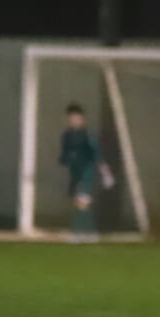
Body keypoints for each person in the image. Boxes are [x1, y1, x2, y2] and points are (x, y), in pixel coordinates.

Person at [58, 103, 114, 243]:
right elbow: (64, 155)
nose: (74, 120)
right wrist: (66, 159)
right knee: (79, 203)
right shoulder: (67, 135)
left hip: (87, 171)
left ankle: (82, 233)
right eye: (71, 118)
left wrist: (105, 173)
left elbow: (97, 154)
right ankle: (87, 233)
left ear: (82, 118)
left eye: (76, 117)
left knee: (82, 202)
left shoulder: (88, 135)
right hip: (75, 173)